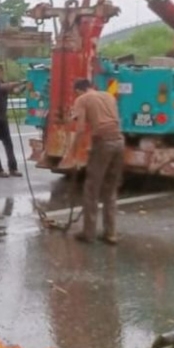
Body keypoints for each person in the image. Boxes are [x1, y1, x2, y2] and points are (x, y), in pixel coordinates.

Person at [69, 77, 125, 245]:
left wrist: (73, 152)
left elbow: (80, 129)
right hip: (119, 142)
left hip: (103, 142)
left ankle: (89, 233)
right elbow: (114, 120)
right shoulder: (109, 96)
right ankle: (111, 233)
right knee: (110, 189)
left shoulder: (82, 99)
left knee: (92, 189)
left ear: (78, 90)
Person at [0, 63, 25, 178]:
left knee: (9, 144)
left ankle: (13, 168)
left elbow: (16, 92)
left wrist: (25, 86)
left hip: (2, 118)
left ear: (2, 73)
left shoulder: (3, 83)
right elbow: (5, 87)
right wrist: (19, 82)